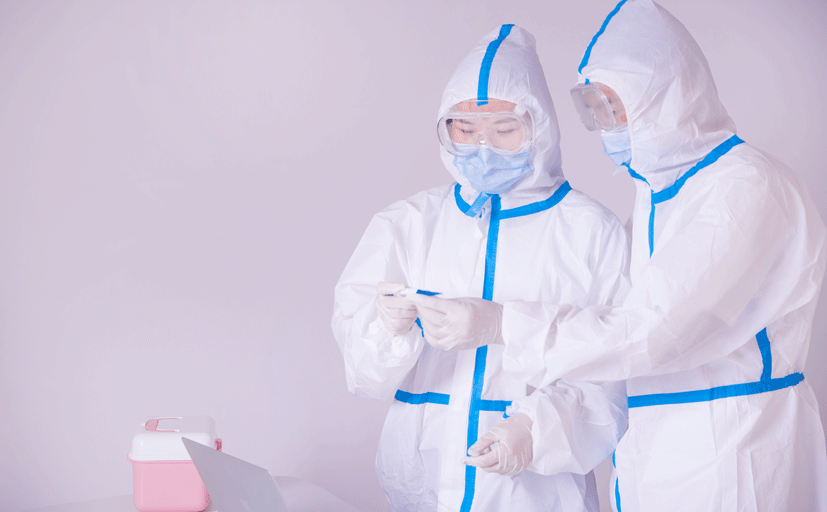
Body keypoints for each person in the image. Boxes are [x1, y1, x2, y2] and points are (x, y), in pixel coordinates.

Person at [412, 2, 827, 511]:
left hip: (736, 450)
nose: (608, 125)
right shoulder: (659, 198)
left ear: (671, 95)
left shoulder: (745, 187)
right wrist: (534, 424)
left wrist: (504, 324)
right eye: (596, 109)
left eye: (617, 106)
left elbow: (654, 331)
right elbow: (610, 344)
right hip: (651, 456)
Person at [332, 24, 631, 512]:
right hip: (424, 487)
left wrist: (536, 431)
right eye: (465, 131)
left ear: (540, 127)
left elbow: (615, 374)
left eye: (504, 131)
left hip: (538, 496)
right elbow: (364, 377)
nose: (482, 148)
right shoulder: (408, 224)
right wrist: (387, 331)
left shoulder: (591, 232)